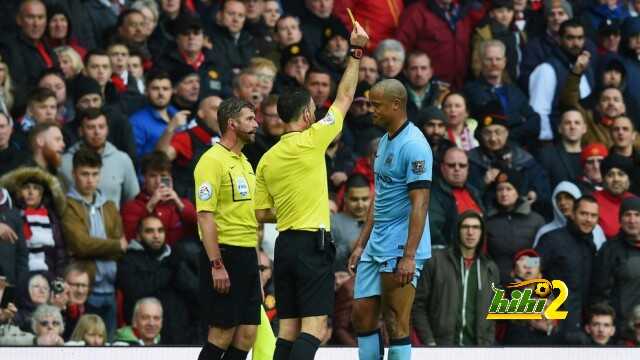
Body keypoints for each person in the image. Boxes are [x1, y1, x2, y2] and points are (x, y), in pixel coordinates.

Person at [254, 22, 369, 360]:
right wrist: (356, 52)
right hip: (311, 244)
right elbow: (346, 96)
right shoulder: (312, 139)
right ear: (306, 114)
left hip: (284, 246)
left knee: (287, 331)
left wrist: (290, 208)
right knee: (314, 329)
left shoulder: (267, 158)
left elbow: (261, 213)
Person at [346, 75, 432, 359]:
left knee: (396, 321)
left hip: (400, 244)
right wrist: (360, 244)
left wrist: (409, 255)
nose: (372, 110)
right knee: (362, 316)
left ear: (396, 105)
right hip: (376, 242)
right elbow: (379, 197)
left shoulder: (414, 145)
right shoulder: (383, 142)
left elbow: (420, 204)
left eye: (376, 105)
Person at [194, 97, 261, 360]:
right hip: (225, 254)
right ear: (232, 123)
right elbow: (205, 215)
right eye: (250, 119)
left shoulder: (245, 162)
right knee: (221, 333)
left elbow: (251, 214)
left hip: (246, 254)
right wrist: (216, 263)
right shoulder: (212, 161)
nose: (256, 124)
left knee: (247, 334)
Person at [62, 148, 127, 340]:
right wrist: (114, 245)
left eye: (94, 174)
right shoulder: (67, 204)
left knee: (108, 344)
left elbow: (122, 247)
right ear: (74, 174)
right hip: (84, 290)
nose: (90, 179)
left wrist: (103, 247)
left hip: (111, 288)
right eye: (84, 174)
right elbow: (81, 245)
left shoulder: (109, 206)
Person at [412, 211, 498, 345]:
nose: (470, 232)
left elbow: (494, 311)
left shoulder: (489, 268)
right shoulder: (436, 261)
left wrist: (487, 343)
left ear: (482, 233)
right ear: (458, 230)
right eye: (465, 227)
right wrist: (429, 342)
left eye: (476, 227)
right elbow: (418, 305)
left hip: (478, 348)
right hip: (441, 347)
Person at [535, 195, 600, 341]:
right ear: (572, 214)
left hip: (581, 327)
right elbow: (531, 275)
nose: (588, 219)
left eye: (593, 215)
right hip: (554, 325)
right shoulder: (551, 239)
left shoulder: (590, 245)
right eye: (583, 214)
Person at [59, 108, 140, 208]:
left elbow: (133, 201)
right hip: (75, 221)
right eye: (90, 127)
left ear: (107, 130)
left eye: (101, 127)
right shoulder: (64, 162)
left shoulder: (122, 160)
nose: (97, 132)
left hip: (112, 222)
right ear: (80, 131)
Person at [120, 151, 196, 246]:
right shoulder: (132, 207)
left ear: (170, 178)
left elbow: (201, 231)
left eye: (163, 176)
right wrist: (149, 206)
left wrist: (180, 204)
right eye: (152, 176)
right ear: (144, 178)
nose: (158, 181)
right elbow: (129, 239)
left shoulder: (183, 204)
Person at [591, 197, 640, 334]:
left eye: (637, 215)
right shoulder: (609, 250)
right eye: (627, 215)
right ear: (620, 219)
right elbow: (599, 295)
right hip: (622, 331)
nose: (632, 220)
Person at [428, 147, 483, 248]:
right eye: (451, 165)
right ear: (442, 168)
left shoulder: (475, 192)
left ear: (468, 168)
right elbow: (433, 229)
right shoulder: (434, 193)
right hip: (450, 257)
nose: (457, 169)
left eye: (462, 165)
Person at [331, 174, 371, 272]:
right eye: (354, 199)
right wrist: (348, 247)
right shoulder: (333, 222)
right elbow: (325, 258)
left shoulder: (379, 223)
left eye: (365, 199)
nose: (360, 205)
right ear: (345, 198)